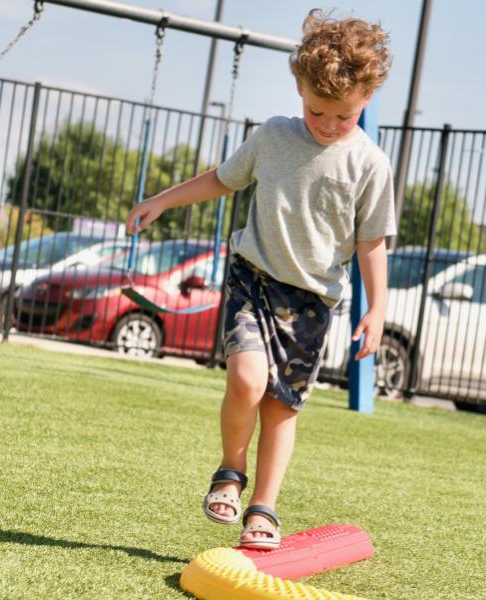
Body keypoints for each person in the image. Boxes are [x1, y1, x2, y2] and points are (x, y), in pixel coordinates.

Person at [126, 9, 395, 550]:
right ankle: (229, 471)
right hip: (253, 277)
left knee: (280, 407)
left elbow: (372, 242)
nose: (326, 124)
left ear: (366, 97)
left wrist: (378, 308)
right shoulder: (273, 137)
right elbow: (222, 180)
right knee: (247, 380)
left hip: (313, 300)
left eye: (342, 116)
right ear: (299, 88)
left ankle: (264, 509)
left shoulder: (370, 164)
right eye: (317, 110)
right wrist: (160, 201)